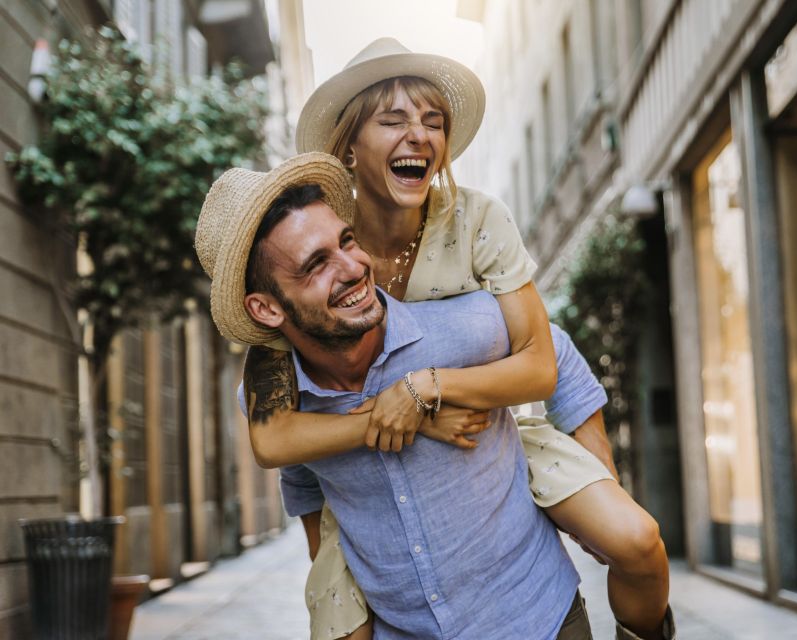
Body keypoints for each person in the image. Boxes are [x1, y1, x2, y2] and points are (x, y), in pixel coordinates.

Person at [241, 39, 672, 640]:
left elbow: (549, 352)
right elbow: (285, 443)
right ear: (349, 147)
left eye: (432, 121)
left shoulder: (475, 222)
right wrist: (412, 416)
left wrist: (430, 390)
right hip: (374, 492)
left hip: (495, 429)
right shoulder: (320, 255)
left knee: (635, 540)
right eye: (393, 120)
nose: (418, 134)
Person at [194, 153, 593, 638]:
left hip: (537, 619)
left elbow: (555, 353)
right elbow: (303, 483)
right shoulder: (279, 403)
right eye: (316, 265)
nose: (354, 268)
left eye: (346, 241)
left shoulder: (462, 325)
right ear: (265, 308)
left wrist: (600, 490)